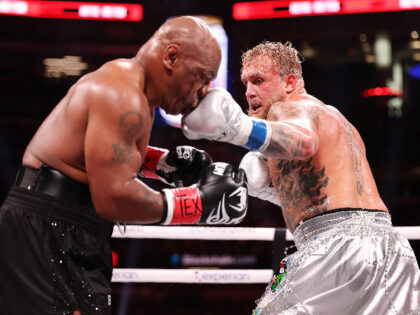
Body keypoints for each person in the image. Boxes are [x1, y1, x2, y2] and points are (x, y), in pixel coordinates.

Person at [0, 16, 249, 315]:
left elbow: (102, 153)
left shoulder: (130, 88)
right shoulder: (122, 94)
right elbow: (113, 197)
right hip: (51, 226)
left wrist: (164, 165)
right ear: (171, 57)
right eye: (202, 76)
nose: (204, 91)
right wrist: (197, 204)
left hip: (63, 224)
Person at [181, 41, 420, 314]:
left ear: (289, 82)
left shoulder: (290, 108)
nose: (249, 92)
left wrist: (234, 127)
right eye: (246, 83)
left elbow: (302, 141)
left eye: (258, 81)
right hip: (392, 250)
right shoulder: (338, 121)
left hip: (336, 247)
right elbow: (317, 194)